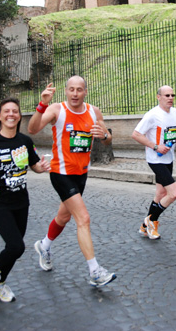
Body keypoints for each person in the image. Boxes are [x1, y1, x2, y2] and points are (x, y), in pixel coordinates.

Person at [28, 77, 117, 287]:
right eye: (71, 90)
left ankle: (44, 245)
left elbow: (108, 139)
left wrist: (104, 135)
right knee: (83, 218)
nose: (75, 94)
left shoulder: (94, 112)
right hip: (61, 173)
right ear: (66, 91)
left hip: (81, 173)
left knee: (63, 216)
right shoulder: (57, 110)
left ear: (85, 92)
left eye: (79, 90)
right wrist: (42, 105)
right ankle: (95, 271)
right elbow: (32, 129)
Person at [0, 97, 51, 303]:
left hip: (21, 201)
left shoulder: (25, 141)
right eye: (6, 111)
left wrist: (42, 168)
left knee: (13, 248)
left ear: (19, 116)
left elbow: (34, 166)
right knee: (16, 246)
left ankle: (0, 283)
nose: (11, 114)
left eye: (15, 111)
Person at [132, 85, 176, 240]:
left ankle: (145, 227)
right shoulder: (152, 115)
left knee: (160, 193)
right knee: (174, 193)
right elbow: (136, 134)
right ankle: (151, 221)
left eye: (172, 95)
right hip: (155, 159)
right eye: (167, 95)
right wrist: (155, 146)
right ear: (158, 97)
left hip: (169, 158)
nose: (170, 98)